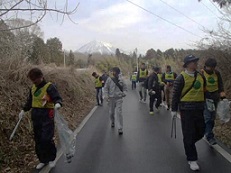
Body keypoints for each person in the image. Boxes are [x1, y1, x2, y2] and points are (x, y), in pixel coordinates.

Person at [18, 68, 62, 170]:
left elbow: (57, 97)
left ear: (41, 77)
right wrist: (23, 110)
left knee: (46, 139)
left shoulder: (49, 87)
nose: (34, 82)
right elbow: (30, 101)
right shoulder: (33, 88)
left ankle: (51, 158)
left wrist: (58, 103)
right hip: (36, 116)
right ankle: (43, 160)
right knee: (38, 140)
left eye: (35, 80)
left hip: (47, 115)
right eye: (32, 81)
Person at [171, 55, 206, 171]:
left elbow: (205, 90)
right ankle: (192, 159)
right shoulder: (181, 77)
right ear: (187, 64)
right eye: (193, 62)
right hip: (186, 110)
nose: (196, 63)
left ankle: (188, 143)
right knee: (189, 133)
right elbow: (175, 95)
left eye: (196, 61)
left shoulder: (201, 76)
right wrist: (173, 109)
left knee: (201, 131)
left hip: (199, 108)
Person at [201, 58, 226, 145]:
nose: (211, 69)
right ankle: (209, 136)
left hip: (215, 97)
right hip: (206, 98)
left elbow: (220, 84)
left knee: (212, 117)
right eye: (209, 67)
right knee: (208, 117)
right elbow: (201, 87)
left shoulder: (217, 73)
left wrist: (222, 93)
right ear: (206, 66)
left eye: (213, 68)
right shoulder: (201, 73)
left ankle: (207, 131)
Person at [104, 67, 127, 135]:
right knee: (111, 113)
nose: (112, 73)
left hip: (119, 98)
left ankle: (120, 128)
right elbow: (106, 88)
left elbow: (125, 89)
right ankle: (112, 121)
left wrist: (124, 94)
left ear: (117, 72)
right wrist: (106, 96)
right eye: (112, 71)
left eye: (113, 71)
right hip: (111, 98)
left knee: (119, 112)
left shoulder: (122, 80)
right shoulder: (109, 79)